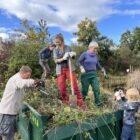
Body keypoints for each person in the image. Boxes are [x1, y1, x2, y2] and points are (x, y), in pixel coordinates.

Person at [0, 66, 38, 140]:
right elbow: (23, 83)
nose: (28, 78)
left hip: (11, 112)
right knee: (7, 136)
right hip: (7, 113)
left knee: (10, 135)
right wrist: (34, 81)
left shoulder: (19, 79)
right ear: (23, 73)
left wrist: (34, 86)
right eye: (28, 76)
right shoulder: (16, 79)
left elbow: (25, 84)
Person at [53, 33, 83, 107]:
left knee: (74, 86)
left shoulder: (68, 47)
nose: (57, 43)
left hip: (69, 69)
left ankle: (79, 103)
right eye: (55, 42)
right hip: (60, 70)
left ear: (62, 40)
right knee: (62, 88)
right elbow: (56, 60)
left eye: (58, 42)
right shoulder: (55, 50)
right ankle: (65, 103)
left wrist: (73, 54)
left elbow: (72, 57)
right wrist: (63, 58)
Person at [77, 41, 106, 106]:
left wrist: (102, 69)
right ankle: (83, 104)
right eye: (94, 48)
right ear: (89, 47)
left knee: (97, 89)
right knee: (85, 90)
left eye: (96, 48)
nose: (95, 50)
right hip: (85, 75)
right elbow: (78, 62)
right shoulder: (84, 54)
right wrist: (81, 67)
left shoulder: (95, 56)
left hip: (94, 74)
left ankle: (98, 103)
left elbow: (98, 64)